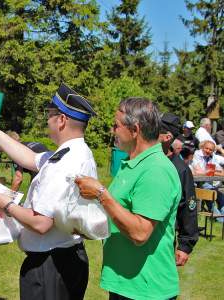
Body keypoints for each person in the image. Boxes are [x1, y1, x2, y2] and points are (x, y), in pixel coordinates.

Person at [0, 83, 96, 300]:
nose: (47, 119)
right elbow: (28, 157)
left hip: (50, 267)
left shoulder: (66, 163)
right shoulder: (75, 152)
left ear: (61, 120)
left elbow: (41, 223)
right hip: (63, 259)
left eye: (50, 114)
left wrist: (6, 205)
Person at [76, 98, 181, 300]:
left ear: (135, 130)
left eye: (116, 125)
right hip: (126, 283)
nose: (112, 131)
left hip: (146, 290)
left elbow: (140, 233)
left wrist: (101, 194)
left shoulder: (155, 170)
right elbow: (121, 213)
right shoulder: (133, 164)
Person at [160, 113, 198, 267]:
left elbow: (189, 207)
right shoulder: (139, 159)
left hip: (164, 239)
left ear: (167, 137)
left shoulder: (180, 169)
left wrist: (185, 245)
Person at [191, 140, 224, 211]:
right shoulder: (197, 154)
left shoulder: (212, 157)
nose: (208, 151)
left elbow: (222, 172)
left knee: (221, 197)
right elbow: (197, 172)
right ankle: (218, 218)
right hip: (196, 184)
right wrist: (212, 171)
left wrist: (211, 172)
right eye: (206, 148)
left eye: (210, 150)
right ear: (202, 147)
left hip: (209, 184)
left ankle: (220, 217)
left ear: (213, 151)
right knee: (211, 194)